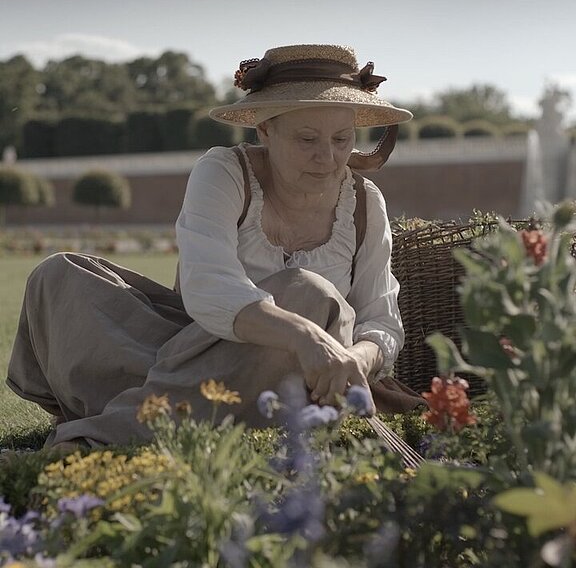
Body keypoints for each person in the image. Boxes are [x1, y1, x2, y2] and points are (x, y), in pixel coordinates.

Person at [7, 44, 425, 449]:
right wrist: (303, 336)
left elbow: (380, 320)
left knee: (308, 292)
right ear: (265, 129)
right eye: (306, 139)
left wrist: (355, 359)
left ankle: (113, 431)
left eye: (341, 139)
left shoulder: (365, 202)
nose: (327, 157)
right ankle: (172, 406)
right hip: (191, 355)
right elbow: (209, 287)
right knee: (59, 275)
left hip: (304, 379)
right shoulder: (223, 172)